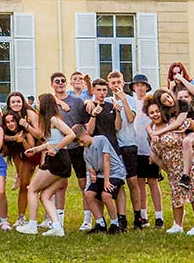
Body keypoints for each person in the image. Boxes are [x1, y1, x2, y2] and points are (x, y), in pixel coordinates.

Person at [15, 93, 76, 237]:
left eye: (39, 103)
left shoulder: (55, 119)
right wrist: (36, 149)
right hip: (62, 161)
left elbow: (71, 135)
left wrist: (56, 149)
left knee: (32, 189)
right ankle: (57, 227)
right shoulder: (49, 121)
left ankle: (32, 225)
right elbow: (52, 141)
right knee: (45, 195)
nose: (37, 106)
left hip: (57, 160)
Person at [145, 94, 194, 235]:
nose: (155, 115)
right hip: (171, 166)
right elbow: (155, 153)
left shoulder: (173, 122)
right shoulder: (152, 131)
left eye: (157, 111)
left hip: (189, 162)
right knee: (177, 195)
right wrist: (164, 166)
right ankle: (178, 225)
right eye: (151, 113)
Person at [50, 71, 90, 231]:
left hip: (77, 148)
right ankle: (58, 219)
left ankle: (87, 219)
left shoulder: (77, 101)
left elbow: (85, 121)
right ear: (52, 84)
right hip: (59, 148)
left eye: (62, 81)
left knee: (83, 183)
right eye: (57, 81)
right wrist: (58, 102)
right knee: (60, 184)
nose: (60, 83)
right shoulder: (50, 103)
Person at [73, 125, 127, 234]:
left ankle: (115, 223)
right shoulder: (85, 151)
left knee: (106, 195)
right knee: (88, 194)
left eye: (82, 141)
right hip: (101, 175)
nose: (81, 144)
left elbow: (106, 160)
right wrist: (93, 175)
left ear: (86, 133)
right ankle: (100, 223)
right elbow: (91, 168)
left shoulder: (101, 140)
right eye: (79, 143)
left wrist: (106, 181)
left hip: (115, 173)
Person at [151, 88, 194, 194]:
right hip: (182, 135)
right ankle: (168, 172)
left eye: (168, 96)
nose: (169, 100)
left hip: (193, 132)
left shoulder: (182, 103)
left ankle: (185, 176)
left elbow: (179, 123)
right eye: (164, 101)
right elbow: (151, 125)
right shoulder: (166, 112)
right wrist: (152, 133)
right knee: (153, 153)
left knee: (187, 142)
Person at [130, 74, 164, 229]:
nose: (140, 88)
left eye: (143, 85)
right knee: (139, 183)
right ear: (133, 87)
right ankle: (143, 215)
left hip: (149, 147)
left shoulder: (151, 104)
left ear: (147, 87)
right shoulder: (130, 102)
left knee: (152, 181)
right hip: (134, 147)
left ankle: (159, 216)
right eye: (137, 85)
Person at [107, 71, 139, 230]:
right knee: (119, 183)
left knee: (133, 181)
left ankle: (138, 216)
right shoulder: (107, 101)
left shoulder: (131, 100)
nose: (116, 85)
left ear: (123, 82)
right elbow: (115, 126)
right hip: (115, 146)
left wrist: (124, 100)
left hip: (130, 143)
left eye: (118, 82)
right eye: (113, 83)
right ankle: (121, 217)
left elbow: (131, 118)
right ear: (109, 85)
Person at [1, 107, 37, 225]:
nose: (11, 124)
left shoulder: (25, 132)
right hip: (19, 157)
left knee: (25, 185)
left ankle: (24, 217)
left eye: (13, 121)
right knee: (23, 185)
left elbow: (31, 152)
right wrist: (12, 138)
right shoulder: (5, 133)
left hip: (33, 156)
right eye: (8, 122)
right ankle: (21, 217)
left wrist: (22, 141)